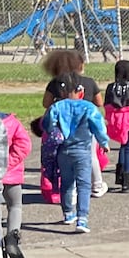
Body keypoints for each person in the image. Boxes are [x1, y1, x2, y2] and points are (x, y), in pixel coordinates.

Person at [45, 73, 108, 233]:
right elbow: (98, 126)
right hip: (82, 150)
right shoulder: (88, 107)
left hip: (63, 150)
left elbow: (47, 125)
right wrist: (103, 142)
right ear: (80, 91)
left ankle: (68, 213)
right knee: (84, 184)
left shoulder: (57, 107)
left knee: (66, 183)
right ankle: (82, 219)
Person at [41, 49, 104, 198]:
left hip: (63, 125)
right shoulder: (89, 82)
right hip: (86, 123)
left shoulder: (55, 83)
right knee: (90, 155)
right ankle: (97, 185)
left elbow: (46, 103)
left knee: (65, 156)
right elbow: (99, 102)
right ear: (79, 65)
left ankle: (71, 188)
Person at [103, 59, 129, 194]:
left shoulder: (111, 87)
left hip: (117, 120)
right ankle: (128, 181)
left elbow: (107, 105)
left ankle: (120, 176)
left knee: (123, 145)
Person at [0, 109, 31, 258]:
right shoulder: (11, 122)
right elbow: (24, 144)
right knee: (15, 206)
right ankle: (12, 236)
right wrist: (9, 163)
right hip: (12, 175)